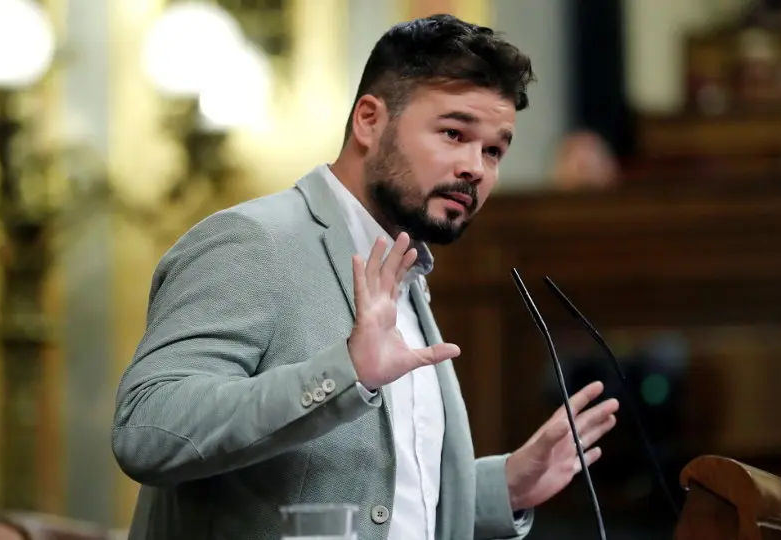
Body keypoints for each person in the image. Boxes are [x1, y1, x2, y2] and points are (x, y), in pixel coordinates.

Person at [112, 13, 620, 540]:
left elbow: (381, 498)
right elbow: (147, 429)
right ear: (369, 121)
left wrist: (505, 486)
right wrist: (344, 371)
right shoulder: (253, 241)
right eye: (453, 133)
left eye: (494, 150)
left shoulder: (407, 270)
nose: (476, 168)